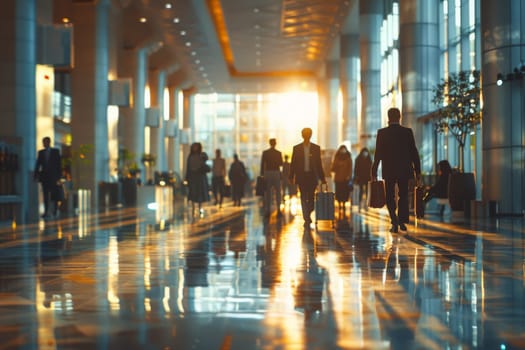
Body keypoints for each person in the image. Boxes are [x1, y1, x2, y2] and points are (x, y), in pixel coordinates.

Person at [371, 107, 421, 233]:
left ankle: (394, 220)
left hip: (389, 170)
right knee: (403, 195)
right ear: (399, 117)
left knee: (390, 196)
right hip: (405, 169)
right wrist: (418, 171)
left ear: (388, 118)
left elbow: (378, 154)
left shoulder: (382, 133)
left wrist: (374, 171)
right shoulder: (407, 132)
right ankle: (402, 220)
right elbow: (414, 152)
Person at [289, 127, 326, 227]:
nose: (306, 136)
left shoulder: (316, 148)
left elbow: (319, 164)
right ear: (302, 136)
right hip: (301, 176)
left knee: (311, 196)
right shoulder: (296, 148)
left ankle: (309, 211)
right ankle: (306, 216)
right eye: (305, 134)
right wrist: (291, 176)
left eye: (308, 134)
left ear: (310, 135)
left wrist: (322, 178)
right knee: (303, 195)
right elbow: (293, 163)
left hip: (312, 176)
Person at [34, 136, 62, 219]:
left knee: (55, 195)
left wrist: (59, 177)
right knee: (45, 195)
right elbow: (38, 164)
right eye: (43, 142)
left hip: (54, 177)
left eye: (46, 142)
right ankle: (46, 211)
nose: (44, 144)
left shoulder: (55, 152)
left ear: (49, 142)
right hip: (45, 177)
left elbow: (58, 165)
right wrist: (36, 175)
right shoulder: (41, 152)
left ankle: (55, 210)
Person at [185, 142, 210, 217]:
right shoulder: (190, 156)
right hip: (193, 177)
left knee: (199, 193)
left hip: (199, 177)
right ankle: (193, 208)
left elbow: (205, 159)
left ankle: (200, 208)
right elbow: (188, 167)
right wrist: (187, 177)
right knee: (193, 192)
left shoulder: (201, 155)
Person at [260, 138, 283, 218]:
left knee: (268, 193)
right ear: (275, 144)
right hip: (276, 172)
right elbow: (281, 164)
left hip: (268, 172)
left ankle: (268, 211)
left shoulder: (265, 153)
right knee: (278, 192)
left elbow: (262, 165)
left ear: (269, 143)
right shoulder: (278, 153)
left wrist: (262, 175)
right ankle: (279, 210)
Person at [330, 145, 353, 218]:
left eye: (344, 149)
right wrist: (338, 165)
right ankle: (340, 205)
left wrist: (349, 176)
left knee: (345, 193)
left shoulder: (348, 157)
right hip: (338, 179)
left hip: (345, 179)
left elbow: (350, 168)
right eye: (342, 149)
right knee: (339, 192)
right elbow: (333, 167)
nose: (343, 150)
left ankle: (343, 205)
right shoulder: (337, 157)